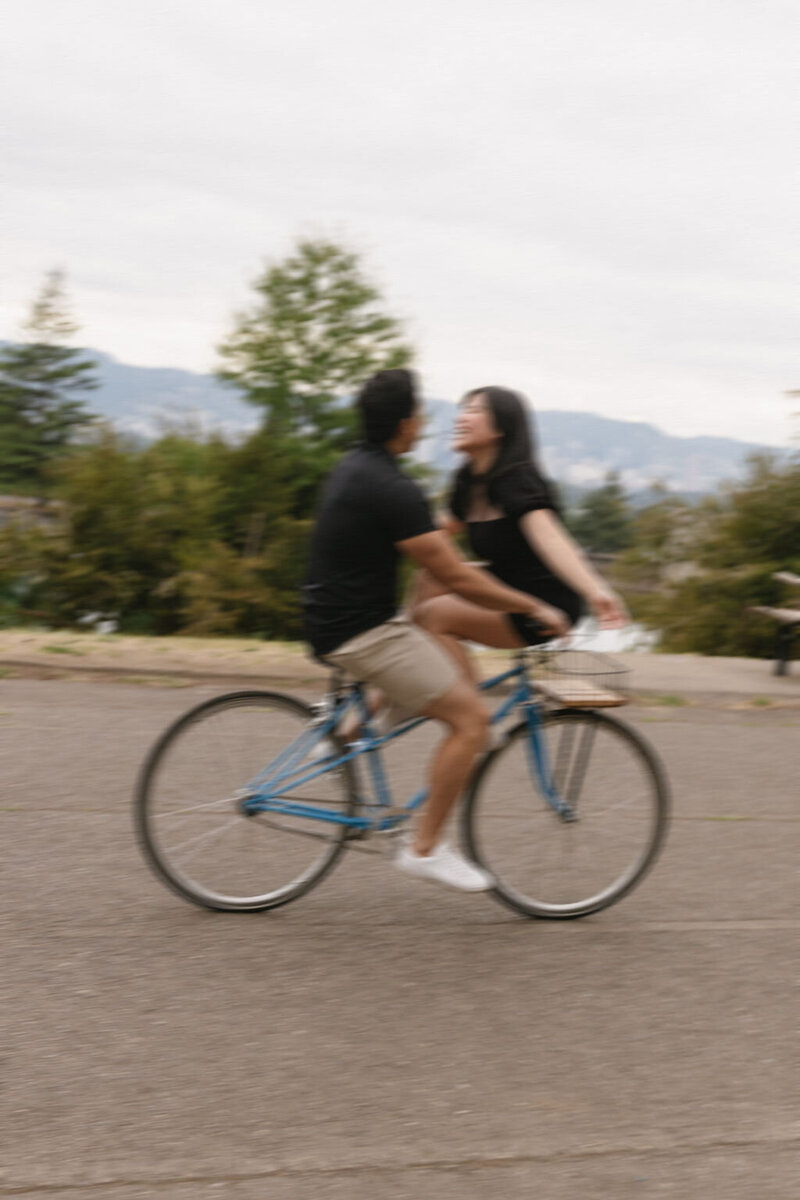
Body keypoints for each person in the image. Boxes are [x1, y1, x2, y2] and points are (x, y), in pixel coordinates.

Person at [303, 369, 569, 892]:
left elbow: (440, 565)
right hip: (363, 635)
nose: (428, 423)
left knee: (432, 635)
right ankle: (424, 848)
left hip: (331, 620)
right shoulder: (393, 488)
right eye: (422, 414)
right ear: (405, 424)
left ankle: (350, 729)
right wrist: (532, 605)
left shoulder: (356, 466)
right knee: (472, 722)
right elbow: (455, 574)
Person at [408, 386, 628, 677]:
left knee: (433, 616)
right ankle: (392, 686)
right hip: (508, 586)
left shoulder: (517, 480)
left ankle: (468, 710)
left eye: (474, 410)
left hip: (545, 604)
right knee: (430, 579)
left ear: (501, 426)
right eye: (463, 409)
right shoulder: (468, 481)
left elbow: (551, 539)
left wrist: (594, 591)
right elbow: (432, 535)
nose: (460, 418)